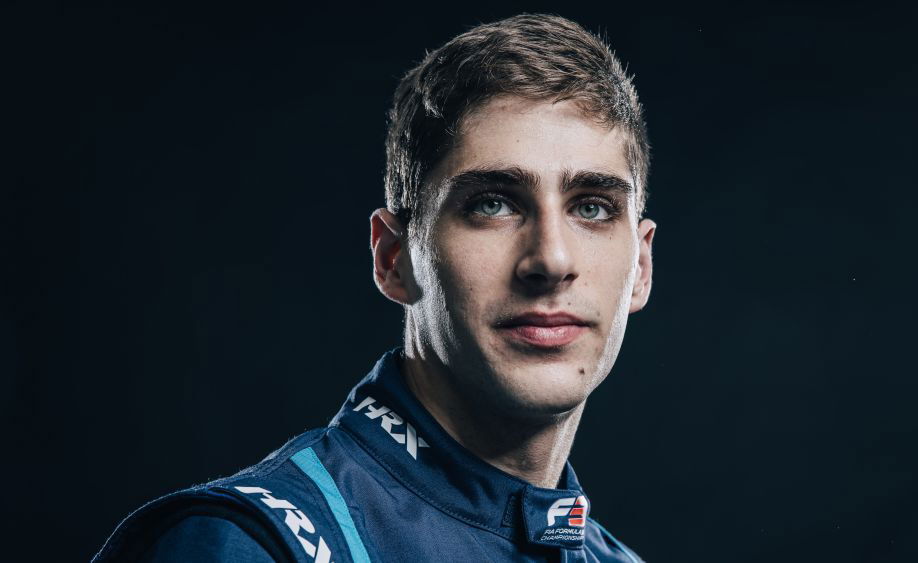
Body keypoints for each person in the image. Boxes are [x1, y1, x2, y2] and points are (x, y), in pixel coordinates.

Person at [94, 13, 655, 562]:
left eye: (592, 207)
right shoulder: (248, 546)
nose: (551, 259)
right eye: (492, 204)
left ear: (641, 267)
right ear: (393, 258)